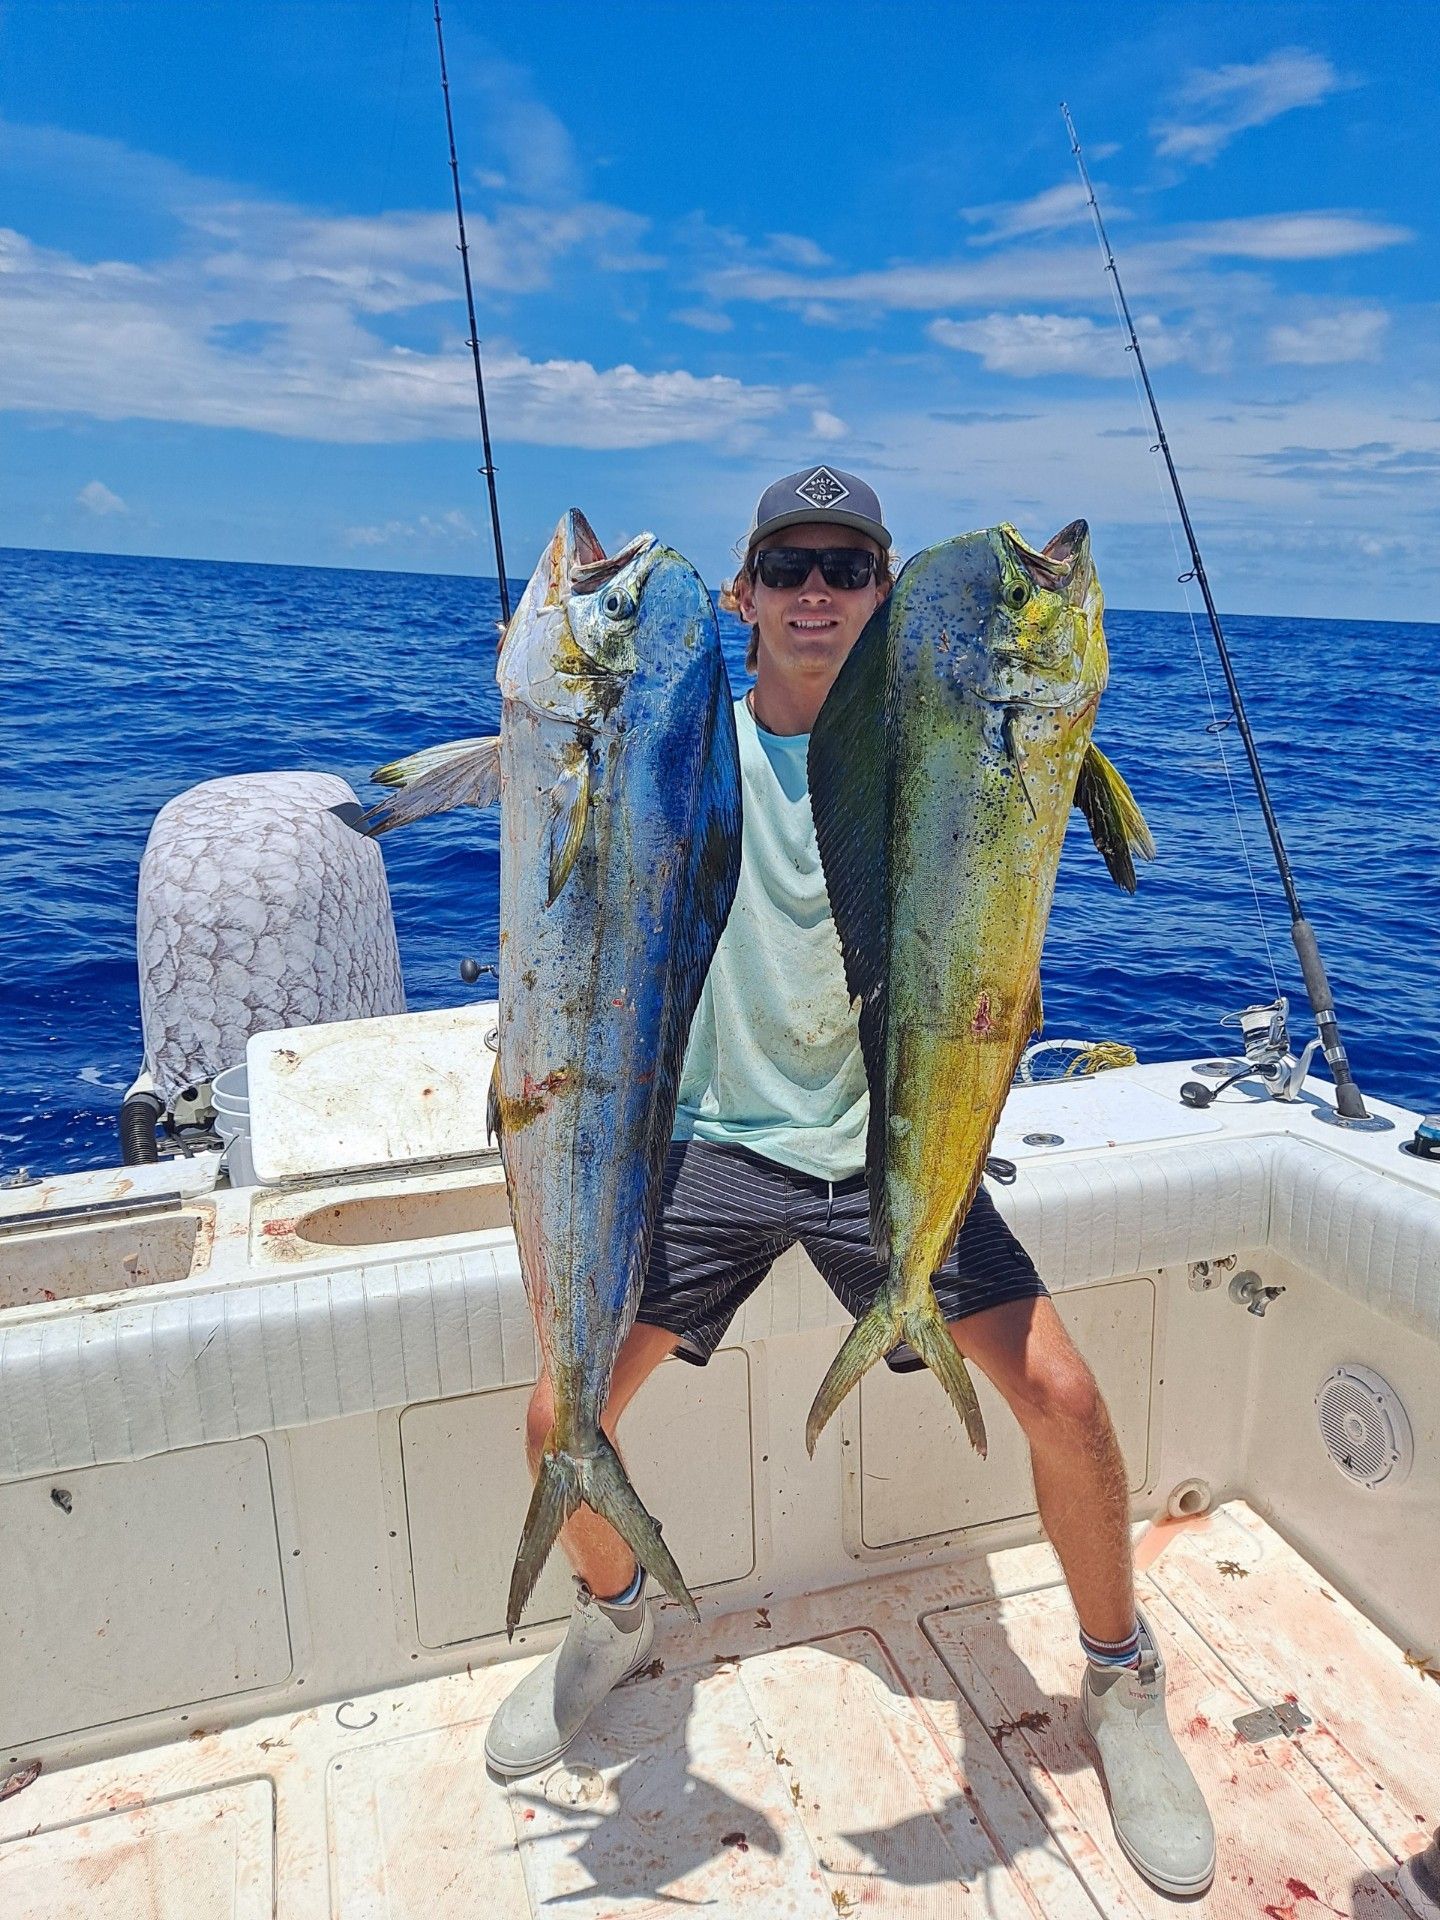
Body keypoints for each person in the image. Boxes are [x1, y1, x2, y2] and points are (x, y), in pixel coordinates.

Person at [484, 465, 1216, 1899]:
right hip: (712, 1151)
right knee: (555, 1419)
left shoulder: (928, 758)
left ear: (884, 603)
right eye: (789, 566)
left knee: (1063, 1400)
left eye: (850, 568)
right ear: (745, 598)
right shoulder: (678, 752)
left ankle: (1121, 1677)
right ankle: (620, 1614)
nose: (818, 589)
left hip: (889, 1154)